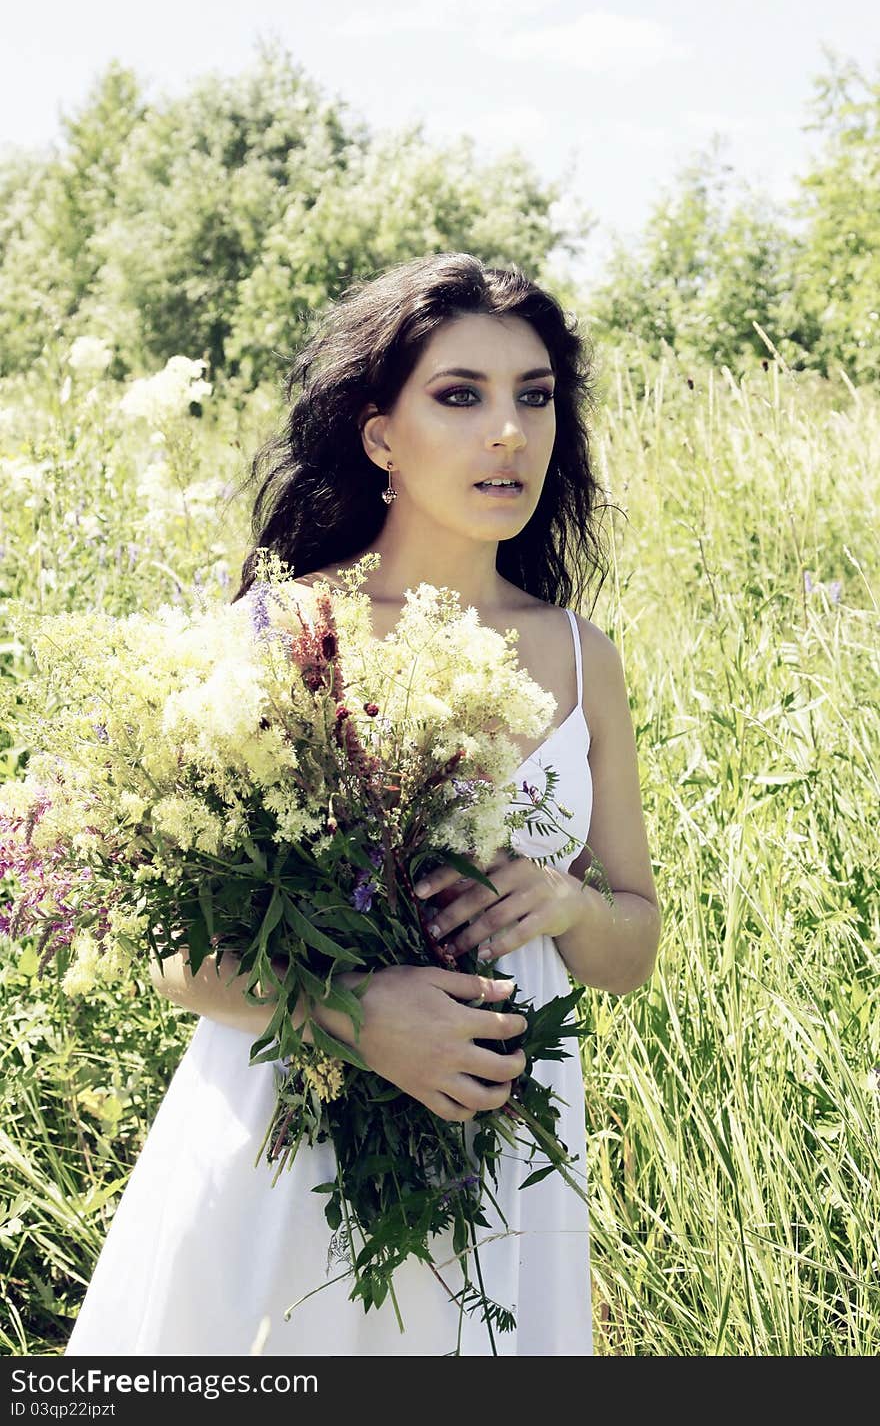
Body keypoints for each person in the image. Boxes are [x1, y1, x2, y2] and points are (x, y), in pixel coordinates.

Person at [65, 251, 661, 1357]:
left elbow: (632, 943)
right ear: (380, 433)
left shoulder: (584, 657)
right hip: (289, 1160)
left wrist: (572, 910)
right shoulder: (284, 631)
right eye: (459, 395)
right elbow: (173, 960)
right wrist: (361, 1015)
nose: (509, 432)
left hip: (504, 1174)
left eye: (534, 397)